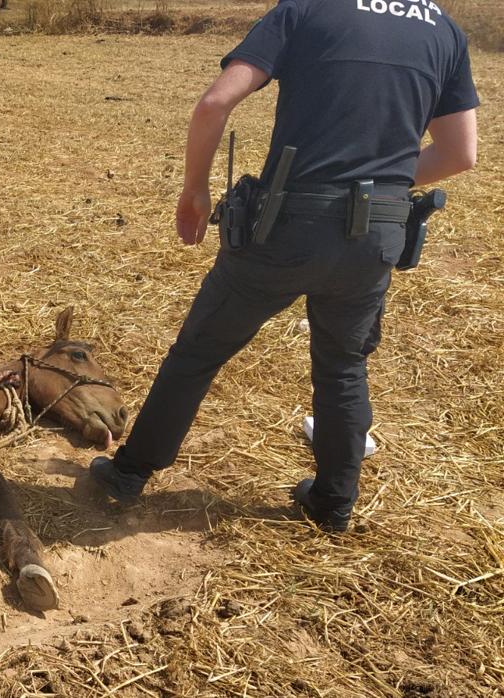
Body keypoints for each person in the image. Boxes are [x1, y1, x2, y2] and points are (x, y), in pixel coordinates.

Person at [88, 0, 478, 531]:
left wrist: (195, 189)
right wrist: (376, 184)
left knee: (199, 351)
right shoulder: (445, 32)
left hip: (287, 222)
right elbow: (460, 154)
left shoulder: (306, 11)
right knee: (343, 367)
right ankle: (334, 504)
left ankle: (130, 473)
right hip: (378, 235)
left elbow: (213, 104)